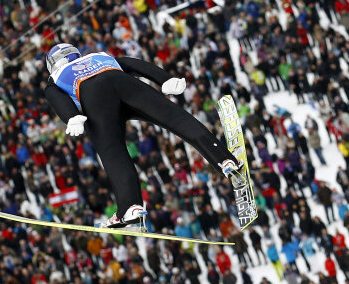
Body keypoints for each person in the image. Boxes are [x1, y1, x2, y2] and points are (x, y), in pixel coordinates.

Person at [43, 43, 246, 229]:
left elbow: (54, 95)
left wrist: (72, 117)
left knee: (113, 153)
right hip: (124, 83)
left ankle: (131, 206)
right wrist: (165, 79)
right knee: (176, 118)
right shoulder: (98, 56)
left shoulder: (57, 76)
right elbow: (132, 63)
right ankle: (224, 159)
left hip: (94, 98)